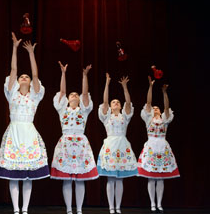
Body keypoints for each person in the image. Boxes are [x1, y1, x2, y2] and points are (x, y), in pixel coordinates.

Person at [0, 32, 49, 214]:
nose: (23, 77)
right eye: (21, 77)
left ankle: (25, 209)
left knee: (27, 176)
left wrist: (31, 53)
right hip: (14, 131)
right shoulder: (12, 93)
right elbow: (13, 70)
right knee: (13, 173)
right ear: (17, 82)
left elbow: (35, 75)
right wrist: (15, 48)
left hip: (29, 132)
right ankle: (16, 209)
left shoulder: (34, 95)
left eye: (26, 77)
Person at [51, 62, 99, 214]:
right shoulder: (62, 109)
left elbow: (85, 94)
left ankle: (79, 210)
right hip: (65, 143)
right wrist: (63, 73)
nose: (74, 95)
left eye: (76, 95)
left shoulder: (83, 110)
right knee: (67, 179)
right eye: (72, 95)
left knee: (79, 179)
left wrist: (85, 76)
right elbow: (62, 91)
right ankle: (68, 210)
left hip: (80, 144)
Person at [137, 77, 180, 213]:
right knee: (151, 177)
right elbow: (148, 103)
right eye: (154, 108)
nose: (155, 109)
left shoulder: (164, 120)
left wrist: (164, 93)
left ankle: (159, 203)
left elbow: (167, 108)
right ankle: (152, 203)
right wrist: (150, 87)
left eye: (157, 108)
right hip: (151, 146)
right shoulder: (148, 118)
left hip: (162, 146)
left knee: (160, 177)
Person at [97, 73, 138, 214]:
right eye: (114, 102)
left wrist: (125, 87)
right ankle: (111, 207)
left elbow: (128, 103)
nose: (115, 103)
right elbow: (105, 101)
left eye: (117, 102)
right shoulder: (106, 116)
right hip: (110, 145)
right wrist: (107, 84)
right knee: (111, 178)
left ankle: (118, 207)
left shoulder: (124, 116)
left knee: (120, 178)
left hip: (122, 145)